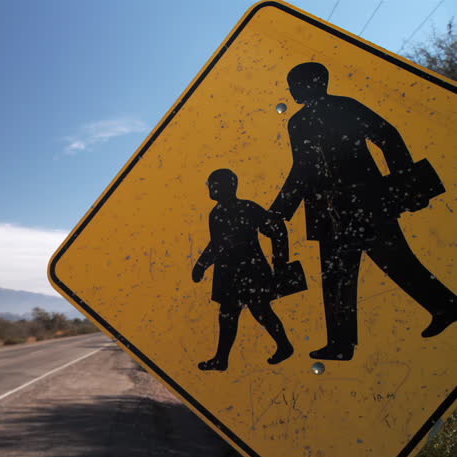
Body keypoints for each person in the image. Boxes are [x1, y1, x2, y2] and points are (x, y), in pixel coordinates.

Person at [270, 62, 456, 361]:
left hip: (361, 202)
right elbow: (306, 169)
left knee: (392, 262)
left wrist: (404, 183)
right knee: (340, 274)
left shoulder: (316, 117)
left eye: (294, 84)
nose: (291, 90)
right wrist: (279, 212)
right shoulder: (317, 115)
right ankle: (342, 344)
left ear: (312, 84)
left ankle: (444, 307)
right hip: (335, 208)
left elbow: (387, 136)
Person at [192, 169, 294, 371]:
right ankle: (221, 359)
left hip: (251, 271)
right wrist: (201, 265)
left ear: (226, 186)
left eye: (213, 184)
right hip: (229, 274)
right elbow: (217, 244)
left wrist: (280, 262)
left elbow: (276, 229)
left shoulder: (248, 208)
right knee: (228, 315)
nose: (210, 188)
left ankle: (284, 346)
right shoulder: (216, 214)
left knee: (261, 311)